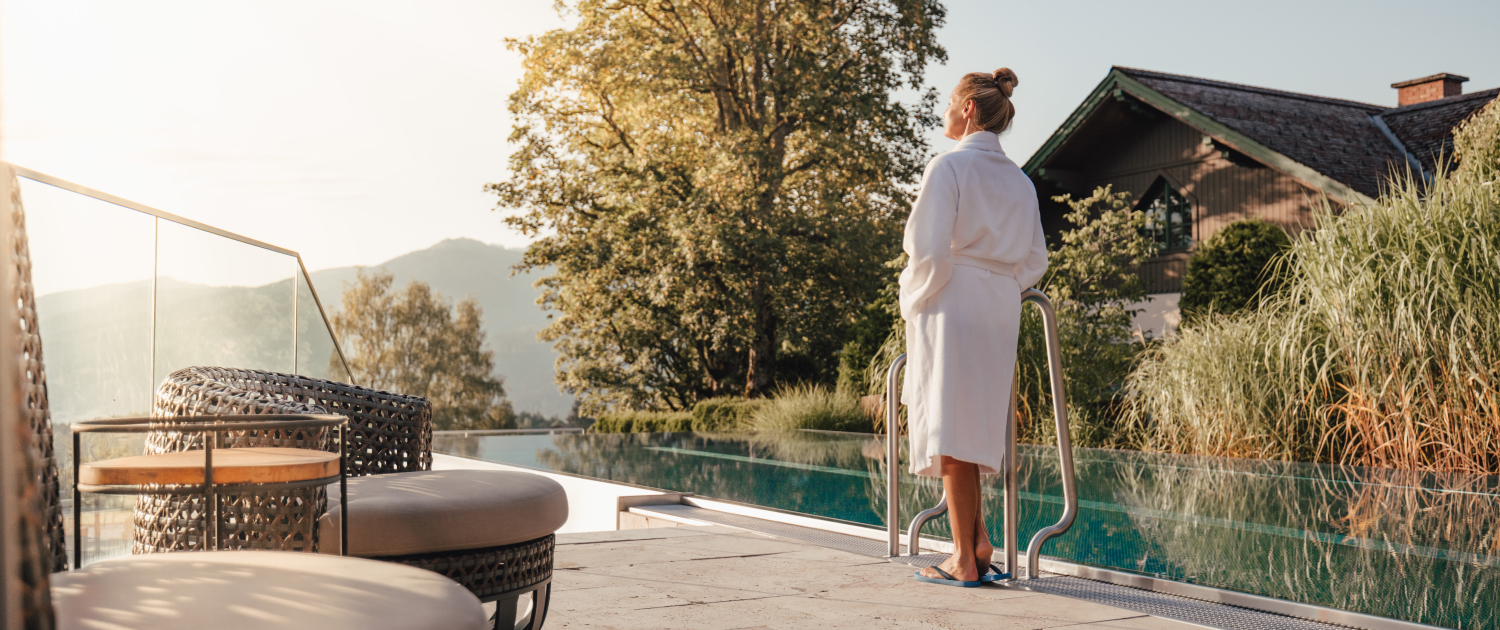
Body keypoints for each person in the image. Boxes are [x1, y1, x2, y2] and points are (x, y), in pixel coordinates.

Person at [899, 67, 1047, 587]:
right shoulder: (1020, 180)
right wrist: (999, 283)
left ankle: (963, 561)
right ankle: (979, 543)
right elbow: (1034, 260)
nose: (943, 111)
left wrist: (912, 297)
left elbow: (928, 249)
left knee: (950, 427)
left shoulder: (949, 167)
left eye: (947, 103)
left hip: (953, 297)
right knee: (973, 424)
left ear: (967, 110)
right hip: (1000, 304)